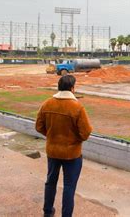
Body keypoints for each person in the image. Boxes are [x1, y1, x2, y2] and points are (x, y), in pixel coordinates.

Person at [36, 75, 93, 217]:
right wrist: (73, 140)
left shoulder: (47, 104)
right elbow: (85, 133)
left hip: (53, 151)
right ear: (72, 88)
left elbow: (39, 126)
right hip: (72, 154)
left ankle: (47, 211)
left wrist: (51, 136)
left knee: (50, 182)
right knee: (69, 186)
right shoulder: (77, 107)